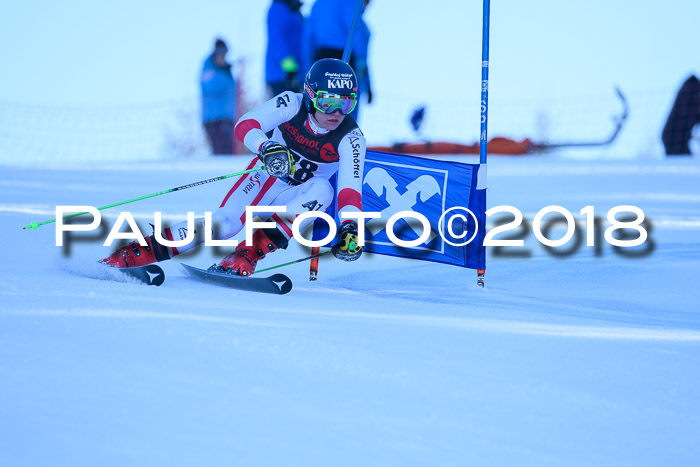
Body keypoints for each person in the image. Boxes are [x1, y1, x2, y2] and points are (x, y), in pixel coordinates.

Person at [101, 59, 366, 276]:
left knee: (323, 190)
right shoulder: (291, 103)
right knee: (225, 224)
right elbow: (246, 124)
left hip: (298, 195)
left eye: (346, 103)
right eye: (328, 101)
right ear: (310, 97)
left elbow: (349, 191)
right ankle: (141, 251)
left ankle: (246, 253)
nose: (336, 112)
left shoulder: (352, 137)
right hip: (266, 176)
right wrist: (266, 147)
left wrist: (351, 228)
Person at [305, 0, 373, 121]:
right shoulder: (348, 3)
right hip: (343, 56)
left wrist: (307, 69)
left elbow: (308, 36)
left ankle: (319, 134)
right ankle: (346, 134)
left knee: (320, 105)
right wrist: (362, 66)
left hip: (320, 58)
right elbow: (355, 31)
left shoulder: (318, 4)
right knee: (346, 104)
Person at [201, 38, 237, 155]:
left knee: (228, 149)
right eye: (220, 54)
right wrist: (224, 70)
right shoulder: (209, 69)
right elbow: (212, 87)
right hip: (214, 118)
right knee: (221, 151)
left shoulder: (224, 70)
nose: (222, 57)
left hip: (227, 117)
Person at [266, 0, 305, 97]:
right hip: (282, 75)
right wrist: (290, 68)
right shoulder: (278, 9)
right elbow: (276, 39)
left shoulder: (293, 9)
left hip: (296, 74)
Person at [662, 74, 700, 155]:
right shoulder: (691, 86)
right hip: (674, 136)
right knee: (683, 163)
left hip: (678, 136)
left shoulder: (693, 86)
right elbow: (688, 109)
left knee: (685, 162)